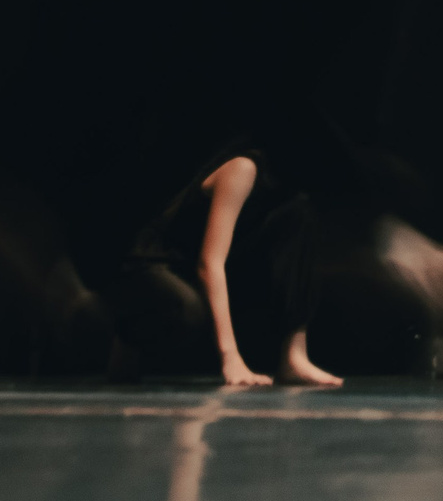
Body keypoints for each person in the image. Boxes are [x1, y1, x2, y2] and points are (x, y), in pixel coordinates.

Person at [107, 138, 338, 387]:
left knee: (301, 214)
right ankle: (128, 337)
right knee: (186, 311)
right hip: (153, 267)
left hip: (197, 267)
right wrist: (231, 358)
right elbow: (210, 264)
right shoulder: (243, 168)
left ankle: (294, 356)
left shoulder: (290, 196)